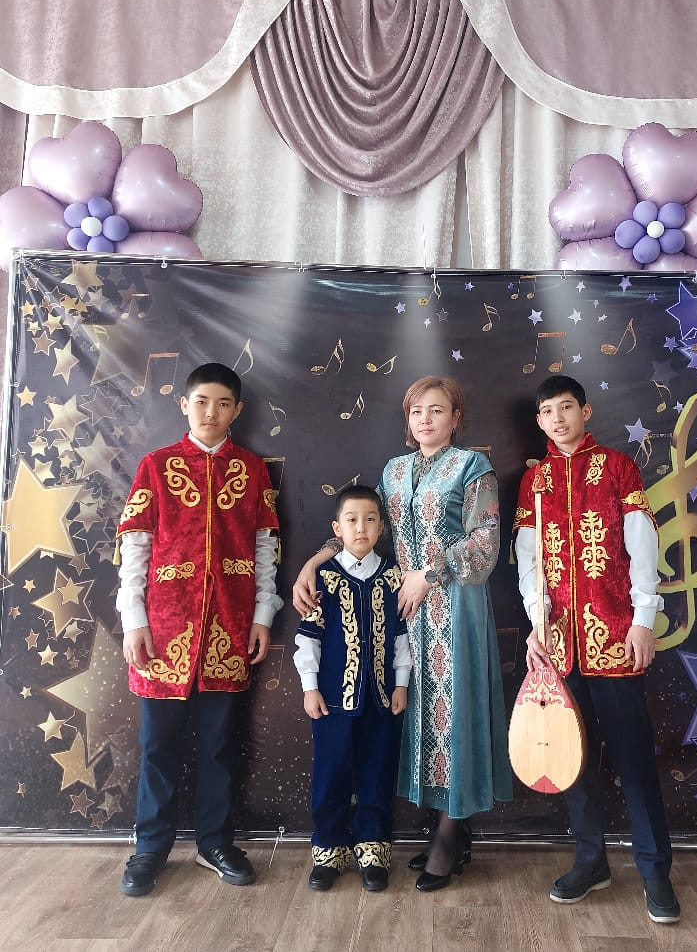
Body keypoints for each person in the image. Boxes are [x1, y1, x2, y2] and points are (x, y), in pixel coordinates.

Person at [293, 375, 512, 892]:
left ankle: (448, 838)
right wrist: (316, 561)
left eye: (437, 410)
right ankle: (450, 832)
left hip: (455, 603)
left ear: (456, 418)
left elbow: (485, 541)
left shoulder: (472, 466)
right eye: (417, 412)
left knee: (456, 713)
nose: (426, 420)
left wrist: (428, 574)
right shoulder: (394, 471)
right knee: (417, 712)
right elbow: (367, 527)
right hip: (402, 608)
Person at [513, 375, 679, 924]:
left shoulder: (616, 467)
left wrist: (643, 621)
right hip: (560, 645)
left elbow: (642, 547)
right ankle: (591, 861)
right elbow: (530, 560)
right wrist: (538, 624)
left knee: (633, 757)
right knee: (572, 760)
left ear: (585, 411)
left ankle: (655, 872)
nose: (557, 419)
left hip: (616, 637)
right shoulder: (533, 481)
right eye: (547, 412)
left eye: (566, 407)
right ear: (539, 421)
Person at [115, 362, 282, 897]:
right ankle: (150, 846)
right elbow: (134, 548)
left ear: (238, 410)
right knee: (158, 745)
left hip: (228, 627)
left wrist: (262, 615)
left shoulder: (251, 470)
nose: (212, 412)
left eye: (223, 403)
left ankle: (215, 842)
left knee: (218, 745)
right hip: (163, 629)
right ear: (184, 405)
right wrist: (134, 620)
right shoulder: (156, 466)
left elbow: (265, 548)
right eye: (202, 401)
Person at [293, 484, 411, 893]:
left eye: (370, 520)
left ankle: (373, 850)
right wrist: (310, 687)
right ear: (337, 529)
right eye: (352, 520)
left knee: (377, 772)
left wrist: (401, 683)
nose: (361, 528)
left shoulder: (393, 576)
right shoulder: (323, 578)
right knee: (331, 775)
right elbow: (308, 639)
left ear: (382, 527)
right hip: (332, 701)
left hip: (381, 700)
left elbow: (401, 638)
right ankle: (328, 849)